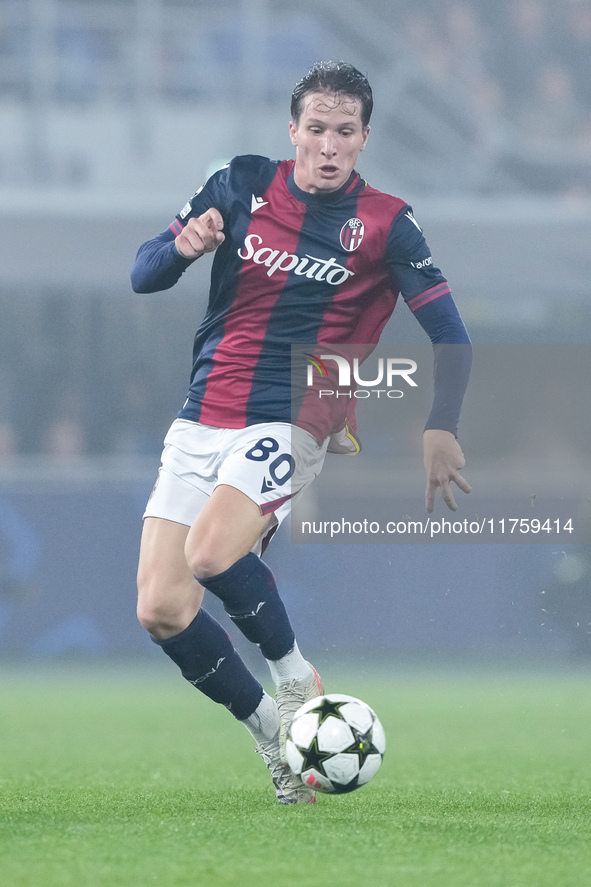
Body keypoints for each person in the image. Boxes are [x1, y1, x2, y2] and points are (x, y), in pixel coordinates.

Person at [131, 61, 472, 804]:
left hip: (299, 411)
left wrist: (439, 423)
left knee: (211, 551)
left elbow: (450, 332)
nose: (327, 144)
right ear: (293, 131)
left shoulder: (386, 222)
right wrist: (182, 248)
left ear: (362, 139)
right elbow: (142, 272)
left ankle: (293, 675)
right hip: (202, 414)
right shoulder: (238, 183)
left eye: (342, 132)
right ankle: (271, 735)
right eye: (314, 129)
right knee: (160, 607)